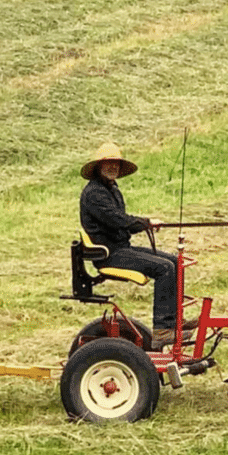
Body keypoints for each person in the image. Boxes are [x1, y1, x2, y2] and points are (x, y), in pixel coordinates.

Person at [79, 142, 196, 348]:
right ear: (98, 166)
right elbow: (117, 220)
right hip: (110, 254)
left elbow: (123, 224)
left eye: (116, 163)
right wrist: (146, 222)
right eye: (108, 164)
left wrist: (143, 225)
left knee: (174, 262)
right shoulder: (94, 194)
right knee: (164, 268)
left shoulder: (112, 190)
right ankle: (163, 330)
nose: (112, 167)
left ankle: (175, 322)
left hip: (122, 248)